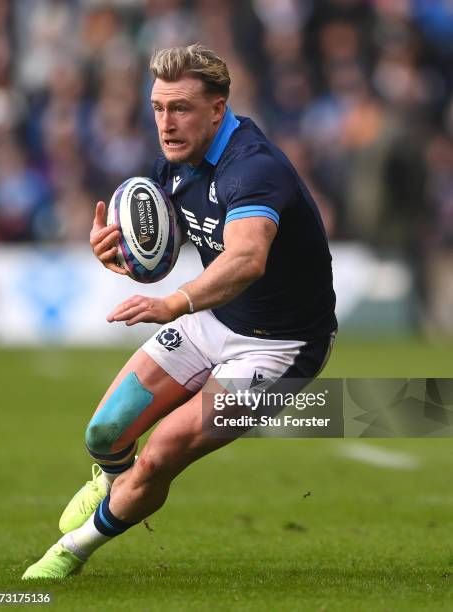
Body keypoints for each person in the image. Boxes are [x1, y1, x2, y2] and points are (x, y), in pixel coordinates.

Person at [22, 44, 337, 580]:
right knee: (104, 434)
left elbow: (245, 258)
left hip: (281, 347)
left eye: (182, 108)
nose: (167, 123)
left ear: (218, 109)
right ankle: (113, 484)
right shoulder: (174, 162)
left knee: (164, 449)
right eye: (158, 108)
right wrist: (117, 251)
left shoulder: (253, 169)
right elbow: (157, 246)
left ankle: (73, 550)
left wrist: (173, 302)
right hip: (216, 318)